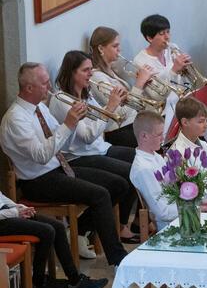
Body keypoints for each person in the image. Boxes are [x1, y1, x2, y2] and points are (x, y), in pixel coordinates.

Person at [0, 63, 127, 267]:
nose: (49, 86)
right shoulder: (15, 119)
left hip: (60, 168)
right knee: (100, 194)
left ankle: (78, 231)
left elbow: (62, 138)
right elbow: (41, 155)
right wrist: (68, 124)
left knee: (118, 184)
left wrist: (76, 123)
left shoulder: (40, 107)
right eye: (44, 83)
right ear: (28, 88)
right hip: (38, 180)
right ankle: (117, 257)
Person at [49, 51, 140, 245]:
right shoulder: (61, 99)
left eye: (91, 69)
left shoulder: (86, 92)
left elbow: (103, 126)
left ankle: (123, 224)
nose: (91, 74)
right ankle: (87, 228)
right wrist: (109, 108)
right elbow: (87, 137)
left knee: (142, 161)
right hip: (78, 156)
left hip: (100, 148)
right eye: (86, 70)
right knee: (129, 175)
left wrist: (113, 108)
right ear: (72, 72)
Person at [0, 189, 108, 288]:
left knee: (58, 227)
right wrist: (15, 213)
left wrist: (19, 207)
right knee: (47, 231)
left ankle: (76, 281)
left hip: (7, 214)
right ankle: (38, 282)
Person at [130, 111, 207, 230]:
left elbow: (175, 190)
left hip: (182, 214)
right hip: (172, 225)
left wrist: (201, 202)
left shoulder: (155, 156)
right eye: (159, 134)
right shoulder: (143, 169)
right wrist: (196, 208)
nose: (162, 139)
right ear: (144, 136)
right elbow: (163, 212)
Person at [88, 26, 157, 148]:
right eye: (115, 46)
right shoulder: (97, 77)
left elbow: (130, 104)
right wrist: (138, 85)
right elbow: (120, 114)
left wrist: (143, 84)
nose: (119, 50)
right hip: (119, 132)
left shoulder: (111, 72)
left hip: (133, 124)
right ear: (100, 48)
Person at [133, 14, 192, 101]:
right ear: (150, 38)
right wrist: (174, 71)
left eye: (168, 32)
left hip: (180, 102)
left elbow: (184, 83)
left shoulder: (173, 48)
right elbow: (156, 96)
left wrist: (185, 71)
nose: (167, 37)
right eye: (162, 33)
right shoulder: (140, 61)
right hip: (161, 109)